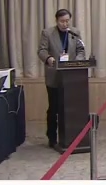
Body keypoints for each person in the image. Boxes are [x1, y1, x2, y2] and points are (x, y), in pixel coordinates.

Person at [37, 9, 86, 148]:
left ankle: (69, 136)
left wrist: (77, 61)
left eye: (67, 21)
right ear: (57, 21)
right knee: (54, 108)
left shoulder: (74, 33)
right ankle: (52, 137)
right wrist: (48, 58)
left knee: (69, 108)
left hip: (71, 77)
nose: (65, 24)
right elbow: (41, 50)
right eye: (62, 21)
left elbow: (81, 50)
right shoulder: (47, 33)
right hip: (54, 76)